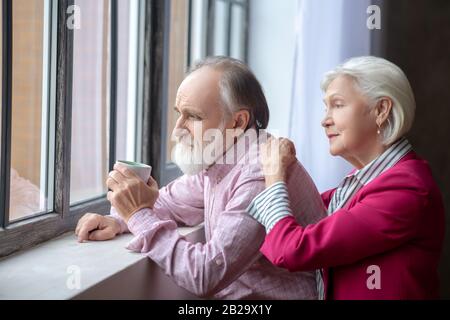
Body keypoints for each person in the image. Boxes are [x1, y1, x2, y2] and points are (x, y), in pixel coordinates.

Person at [75, 56, 326, 299]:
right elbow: (170, 202)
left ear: (238, 122)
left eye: (193, 116)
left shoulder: (259, 173)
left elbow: (204, 275)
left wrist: (139, 215)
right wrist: (118, 219)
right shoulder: (223, 157)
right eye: (179, 113)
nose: (177, 130)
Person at [247, 56, 445, 299]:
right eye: (326, 107)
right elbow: (292, 220)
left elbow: (292, 250)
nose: (324, 120)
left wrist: (275, 175)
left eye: (338, 105)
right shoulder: (363, 181)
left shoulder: (407, 190)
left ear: (381, 110)